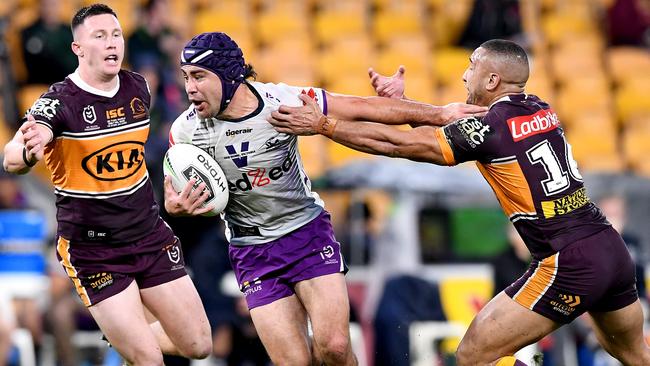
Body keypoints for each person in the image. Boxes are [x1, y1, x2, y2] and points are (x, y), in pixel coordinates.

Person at [268, 39, 650, 366]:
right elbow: (464, 133)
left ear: (491, 80)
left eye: (471, 67)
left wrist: (323, 125)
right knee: (636, 356)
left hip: (568, 259)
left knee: (471, 355)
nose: (464, 75)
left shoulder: (492, 127)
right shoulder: (536, 106)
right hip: (610, 249)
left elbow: (399, 146)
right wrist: (403, 107)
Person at [163, 31, 486, 365]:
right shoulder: (185, 132)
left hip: (306, 232)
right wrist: (175, 207)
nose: (190, 88)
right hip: (252, 250)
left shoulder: (283, 102)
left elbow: (361, 108)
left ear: (229, 75)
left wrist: (440, 114)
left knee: (333, 347)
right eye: (186, 77)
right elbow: (172, 193)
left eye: (199, 76)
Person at [2, 4, 212, 364]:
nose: (111, 43)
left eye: (115, 35)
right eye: (99, 36)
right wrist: (26, 150)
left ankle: (122, 330)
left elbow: (153, 153)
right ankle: (124, 329)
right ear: (78, 49)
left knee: (199, 346)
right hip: (93, 251)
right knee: (149, 360)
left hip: (149, 236)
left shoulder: (139, 87)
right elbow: (13, 154)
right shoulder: (59, 101)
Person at [21, 0, 77, 85]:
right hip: (39, 84)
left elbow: (75, 63)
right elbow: (33, 65)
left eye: (53, 5)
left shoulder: (70, 32)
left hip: (67, 83)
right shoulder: (29, 32)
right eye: (45, 5)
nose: (49, 9)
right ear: (39, 7)